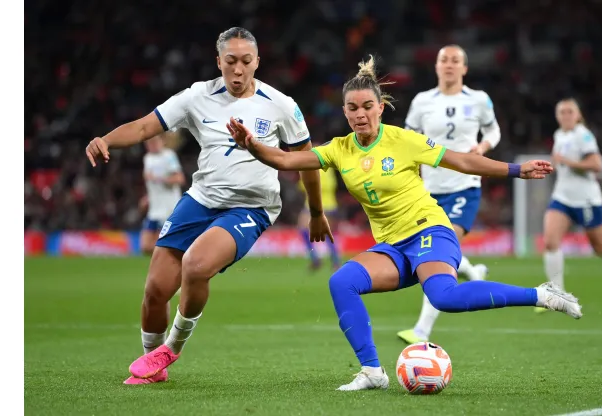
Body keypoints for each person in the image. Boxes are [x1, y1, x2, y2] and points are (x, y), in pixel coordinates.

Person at [225, 55, 582, 391]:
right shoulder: (338, 148)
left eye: (368, 107)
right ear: (345, 111)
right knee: (342, 281)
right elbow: (287, 161)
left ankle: (542, 295)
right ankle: (373, 372)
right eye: (352, 108)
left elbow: (462, 161)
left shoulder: (402, 140)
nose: (360, 114)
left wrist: (516, 170)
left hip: (429, 230)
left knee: (444, 297)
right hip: (393, 247)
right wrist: (252, 144)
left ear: (381, 107)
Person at [85, 27, 332, 385]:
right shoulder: (197, 97)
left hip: (251, 206)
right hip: (201, 199)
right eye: (230, 61)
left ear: (257, 62)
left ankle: (171, 347)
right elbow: (142, 128)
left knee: (196, 265)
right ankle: (152, 365)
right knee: (155, 290)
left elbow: (306, 160)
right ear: (218, 61)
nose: (238, 70)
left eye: (246, 62)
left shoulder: (281, 105)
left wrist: (315, 212)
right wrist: (104, 140)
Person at [397, 45, 500, 345]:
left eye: (456, 61)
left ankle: (421, 331)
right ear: (436, 66)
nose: (450, 65)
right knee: (440, 250)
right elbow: (409, 139)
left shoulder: (479, 100)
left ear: (464, 68)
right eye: (444, 60)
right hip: (429, 190)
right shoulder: (422, 101)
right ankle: (473, 269)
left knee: (438, 252)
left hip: (464, 186)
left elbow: (495, 132)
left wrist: (483, 148)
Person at [536, 98, 602, 314]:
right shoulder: (559, 135)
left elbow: (597, 164)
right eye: (561, 112)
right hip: (562, 197)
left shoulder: (584, 135)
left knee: (600, 247)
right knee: (550, 241)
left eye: (570, 111)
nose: (565, 115)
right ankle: (556, 294)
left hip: (587, 200)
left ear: (578, 115)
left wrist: (568, 162)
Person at [139, 134, 185, 255]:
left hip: (168, 209)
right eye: (149, 143)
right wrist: (147, 197)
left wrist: (158, 179)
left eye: (154, 142)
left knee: (162, 246)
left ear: (162, 141)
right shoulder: (147, 158)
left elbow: (179, 178)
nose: (151, 145)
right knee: (145, 246)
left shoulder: (168, 156)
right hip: (154, 209)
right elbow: (152, 185)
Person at [297, 167, 341, 270]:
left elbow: (302, 185)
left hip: (319, 204)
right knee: (325, 233)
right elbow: (332, 185)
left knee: (305, 229)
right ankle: (332, 261)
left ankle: (320, 259)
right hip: (329, 204)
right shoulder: (328, 167)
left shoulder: (310, 167)